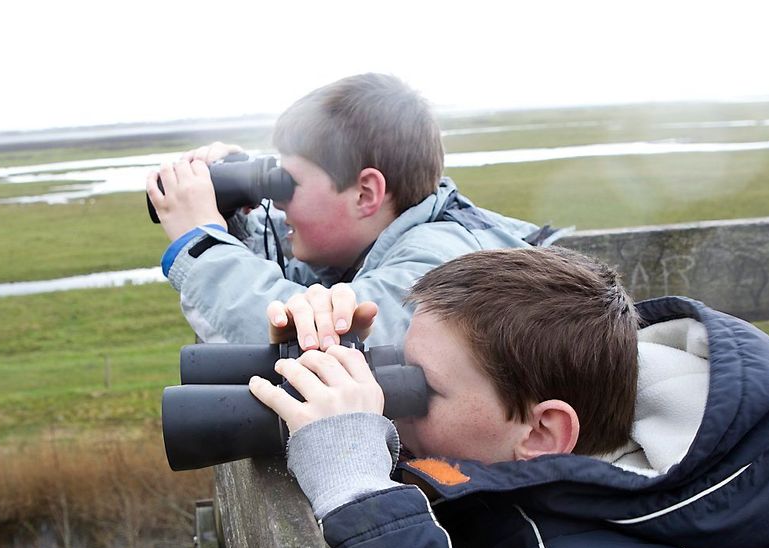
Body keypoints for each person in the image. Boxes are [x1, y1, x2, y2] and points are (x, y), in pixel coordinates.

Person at [249, 247, 769, 548]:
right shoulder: (523, 459)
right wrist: (329, 362)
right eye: (397, 369)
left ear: (542, 431)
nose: (394, 396)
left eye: (420, 387)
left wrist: (359, 492)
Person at [146, 73, 549, 348]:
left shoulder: (439, 269)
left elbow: (315, 342)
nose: (278, 201)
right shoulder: (379, 245)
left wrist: (201, 243)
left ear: (365, 194)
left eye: (288, 183)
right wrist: (230, 220)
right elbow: (299, 291)